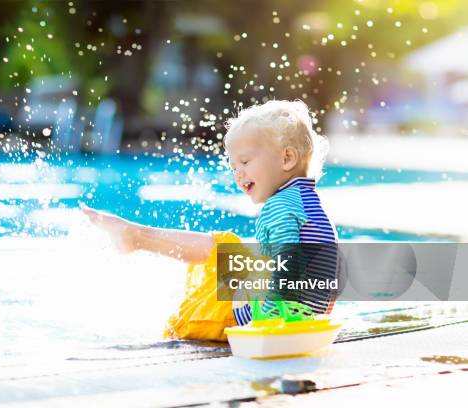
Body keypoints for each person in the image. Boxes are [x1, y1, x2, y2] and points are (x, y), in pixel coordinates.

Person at [82, 99, 337, 339]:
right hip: (297, 315)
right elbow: (330, 267)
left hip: (250, 318)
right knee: (227, 249)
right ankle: (136, 237)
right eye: (233, 166)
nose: (238, 174)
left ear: (287, 158)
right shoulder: (311, 206)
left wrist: (267, 323)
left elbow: (287, 267)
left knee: (192, 307)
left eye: (245, 161)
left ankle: (136, 237)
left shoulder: (279, 207)